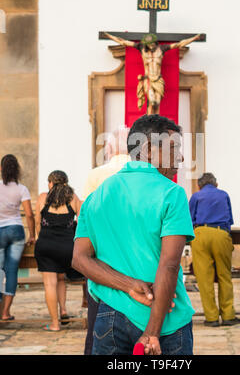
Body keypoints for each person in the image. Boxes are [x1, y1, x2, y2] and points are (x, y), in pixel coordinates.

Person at [72, 114, 195, 355]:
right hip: (166, 323)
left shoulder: (97, 196)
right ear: (148, 150)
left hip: (110, 315)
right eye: (174, 148)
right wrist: (152, 332)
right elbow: (169, 265)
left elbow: (80, 258)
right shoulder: (172, 193)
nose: (180, 157)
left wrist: (128, 285)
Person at [82, 127, 130, 355]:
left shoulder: (96, 175)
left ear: (109, 149)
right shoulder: (145, 174)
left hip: (102, 253)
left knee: (96, 316)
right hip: (135, 254)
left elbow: (85, 215)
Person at [104, 32, 201, 114]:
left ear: (155, 42)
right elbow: (123, 42)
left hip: (158, 79)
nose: (151, 46)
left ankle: (156, 124)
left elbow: (179, 44)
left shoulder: (162, 49)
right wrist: (109, 36)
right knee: (152, 102)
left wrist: (195, 38)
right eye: (149, 44)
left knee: (157, 103)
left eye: (152, 43)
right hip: (148, 79)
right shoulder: (141, 48)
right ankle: (149, 122)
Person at [189, 173, 240, 327]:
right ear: (216, 184)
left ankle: (211, 318)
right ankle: (228, 315)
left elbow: (189, 220)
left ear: (199, 185)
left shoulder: (196, 197)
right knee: (225, 275)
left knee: (204, 279)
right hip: (221, 233)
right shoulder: (224, 195)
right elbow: (229, 219)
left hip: (200, 234)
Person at [34, 170, 82, 331]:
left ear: (51, 183)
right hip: (67, 247)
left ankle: (55, 324)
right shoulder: (73, 198)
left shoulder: (42, 198)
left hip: (46, 245)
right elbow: (83, 222)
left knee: (50, 284)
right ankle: (63, 310)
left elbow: (37, 223)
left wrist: (40, 237)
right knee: (61, 279)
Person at [0, 154, 35, 320]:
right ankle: (6, 312)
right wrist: (33, 235)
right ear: (17, 170)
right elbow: (29, 215)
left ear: (1, 169)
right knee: (12, 270)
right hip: (16, 230)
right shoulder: (22, 189)